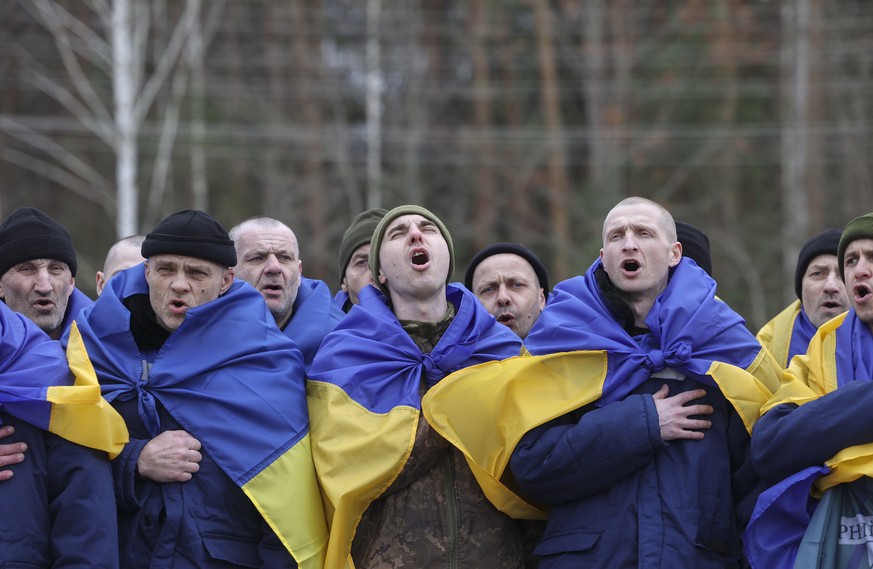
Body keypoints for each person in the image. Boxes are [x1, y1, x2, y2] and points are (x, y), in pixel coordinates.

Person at [422, 196, 783, 568]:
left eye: (643, 233)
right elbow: (534, 467)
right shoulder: (563, 337)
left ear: (674, 253)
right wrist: (642, 424)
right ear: (603, 256)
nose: (629, 243)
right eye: (616, 236)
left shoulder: (724, 343)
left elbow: (757, 483)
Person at [66, 209, 327, 568]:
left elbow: (288, 500)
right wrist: (134, 460)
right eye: (166, 270)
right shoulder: (93, 347)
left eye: (196, 273)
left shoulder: (267, 359)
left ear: (226, 281)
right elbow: (62, 459)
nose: (179, 284)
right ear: (147, 272)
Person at [307, 205, 528, 568]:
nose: (415, 234)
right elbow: (346, 471)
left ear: (447, 258)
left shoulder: (500, 348)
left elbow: (531, 464)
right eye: (397, 234)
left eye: (428, 229)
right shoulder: (345, 354)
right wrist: (456, 408)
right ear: (379, 273)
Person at [745, 213, 873, 568]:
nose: (859, 270)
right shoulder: (823, 347)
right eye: (852, 261)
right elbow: (771, 445)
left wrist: (832, 438)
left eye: (872, 257)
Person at [0, 296, 127, 567]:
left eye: (56, 273)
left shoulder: (68, 386)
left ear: (71, 283)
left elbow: (86, 531)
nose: (43, 283)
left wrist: (135, 458)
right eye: (27, 273)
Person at [229, 216, 343, 371]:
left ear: (299, 272)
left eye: (284, 258)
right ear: (228, 275)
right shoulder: (204, 332)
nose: (274, 267)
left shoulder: (340, 342)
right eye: (257, 258)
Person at [756, 228, 849, 368]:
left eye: (843, 274)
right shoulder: (765, 350)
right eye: (818, 274)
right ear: (800, 287)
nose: (830, 286)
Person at [0, 206, 92, 339]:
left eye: (56, 269)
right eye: (26, 269)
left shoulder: (107, 346)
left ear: (71, 283)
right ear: (1, 286)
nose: (44, 287)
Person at [464, 242, 549, 339]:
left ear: (541, 299)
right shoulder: (453, 348)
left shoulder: (564, 345)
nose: (502, 298)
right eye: (489, 289)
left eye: (517, 285)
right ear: (472, 308)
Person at [333, 207, 387, 312]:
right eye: (362, 262)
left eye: (383, 260)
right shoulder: (324, 322)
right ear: (344, 281)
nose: (374, 275)